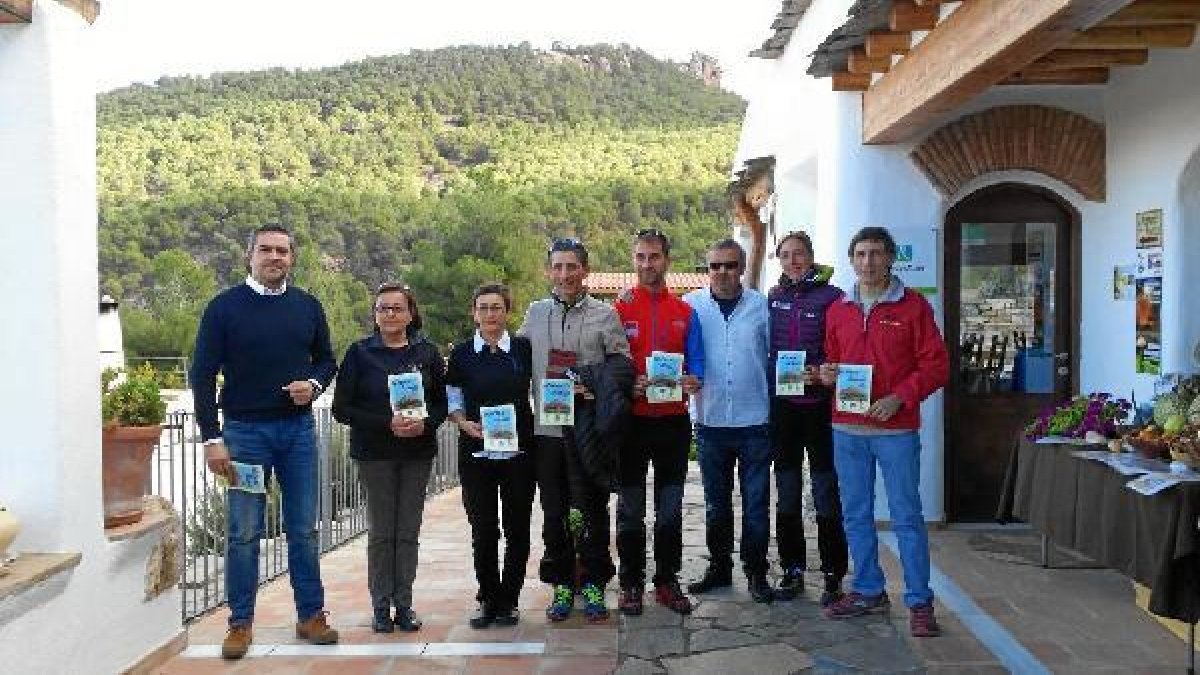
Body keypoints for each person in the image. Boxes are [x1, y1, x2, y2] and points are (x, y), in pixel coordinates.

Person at [190, 224, 339, 660]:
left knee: (304, 531)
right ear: (249, 255)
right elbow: (201, 376)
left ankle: (311, 615)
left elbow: (327, 360)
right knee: (243, 532)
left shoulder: (308, 307)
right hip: (244, 437)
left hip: (297, 435)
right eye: (266, 250)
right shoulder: (223, 309)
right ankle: (240, 623)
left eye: (283, 251)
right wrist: (211, 439)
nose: (275, 257)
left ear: (292, 258)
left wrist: (313, 385)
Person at [818, 226, 949, 638]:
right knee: (856, 515)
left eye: (876, 253)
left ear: (891, 258)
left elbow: (936, 366)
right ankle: (869, 590)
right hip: (846, 429)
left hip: (895, 431)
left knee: (907, 517)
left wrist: (901, 397)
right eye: (860, 254)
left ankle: (919, 601)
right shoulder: (839, 308)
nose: (868, 262)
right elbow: (833, 361)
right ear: (851, 259)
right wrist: (826, 373)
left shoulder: (914, 308)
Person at [518, 237, 632, 623]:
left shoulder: (605, 314)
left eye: (572, 267)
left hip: (588, 432)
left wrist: (592, 382)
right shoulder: (534, 314)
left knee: (591, 512)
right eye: (558, 267)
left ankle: (596, 583)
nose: (565, 274)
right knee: (555, 514)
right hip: (548, 432)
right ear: (548, 270)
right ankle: (562, 583)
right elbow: (514, 362)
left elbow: (622, 366)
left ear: (585, 270)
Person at [331, 283, 447, 634]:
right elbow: (341, 408)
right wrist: (387, 423)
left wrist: (425, 424)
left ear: (410, 314)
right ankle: (381, 607)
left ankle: (405, 605)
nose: (390, 314)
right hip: (375, 455)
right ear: (375, 314)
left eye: (397, 308)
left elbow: (442, 404)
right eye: (383, 308)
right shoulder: (359, 353)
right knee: (382, 533)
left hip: (416, 454)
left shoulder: (427, 353)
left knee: (407, 532)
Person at [612, 229, 704, 616]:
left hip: (672, 423)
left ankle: (667, 580)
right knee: (630, 509)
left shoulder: (686, 312)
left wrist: (693, 379)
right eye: (640, 257)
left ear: (667, 260)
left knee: (669, 509)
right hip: (630, 423)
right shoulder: (618, 309)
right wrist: (628, 382)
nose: (647, 264)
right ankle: (631, 583)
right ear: (633, 261)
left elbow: (697, 364)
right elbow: (609, 364)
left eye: (653, 257)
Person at [684, 239, 774, 604]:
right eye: (716, 265)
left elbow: (773, 356)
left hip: (755, 421)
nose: (723, 272)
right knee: (715, 504)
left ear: (742, 267)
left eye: (731, 265)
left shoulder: (761, 306)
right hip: (711, 420)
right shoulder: (691, 306)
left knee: (756, 504)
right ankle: (719, 567)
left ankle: (756, 572)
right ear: (707, 269)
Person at [445, 283, 537, 629]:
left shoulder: (524, 349)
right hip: (476, 453)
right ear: (474, 313)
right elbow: (453, 396)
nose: (489, 314)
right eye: (482, 308)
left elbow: (539, 388)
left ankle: (509, 601)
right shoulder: (462, 353)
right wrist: (462, 423)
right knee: (483, 529)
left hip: (518, 454)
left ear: (507, 311)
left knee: (517, 528)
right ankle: (487, 598)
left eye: (496, 307)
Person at [767, 231, 849, 606]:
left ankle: (833, 573)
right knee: (786, 493)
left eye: (799, 254)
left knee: (825, 492)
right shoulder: (775, 296)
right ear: (780, 260)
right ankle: (792, 568)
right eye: (786, 255)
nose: (793, 261)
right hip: (784, 411)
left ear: (812, 257)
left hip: (820, 408)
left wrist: (827, 372)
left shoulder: (834, 298)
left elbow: (844, 351)